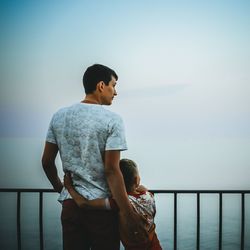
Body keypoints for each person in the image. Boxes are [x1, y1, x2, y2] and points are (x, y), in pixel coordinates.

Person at [41, 64, 148, 250]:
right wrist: (127, 213)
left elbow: (46, 162)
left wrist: (62, 190)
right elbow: (111, 170)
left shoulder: (59, 116)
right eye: (113, 86)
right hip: (101, 212)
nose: (115, 92)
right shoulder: (112, 120)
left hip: (71, 206)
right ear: (101, 86)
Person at [64, 158, 162, 250]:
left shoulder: (118, 202)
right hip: (155, 245)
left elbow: (83, 204)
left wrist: (69, 188)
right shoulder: (149, 196)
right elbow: (142, 189)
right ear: (136, 180)